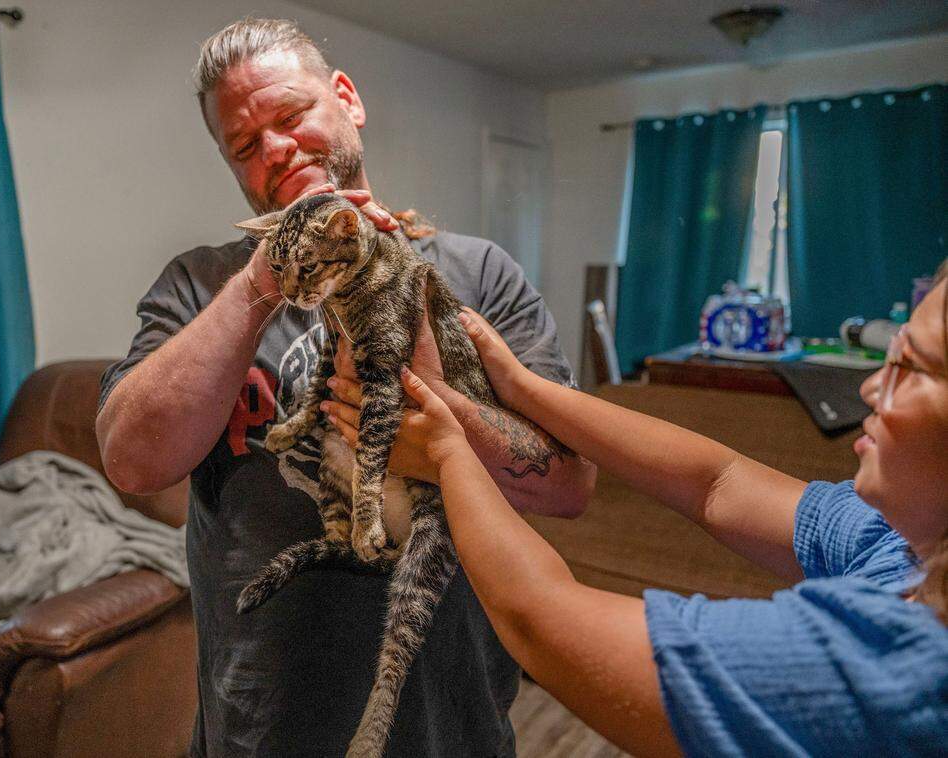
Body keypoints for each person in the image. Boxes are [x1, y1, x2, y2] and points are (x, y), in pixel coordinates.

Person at [94, 17, 596, 757]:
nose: (274, 149)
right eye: (243, 144)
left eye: (291, 116)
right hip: (263, 725)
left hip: (453, 718)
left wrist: (447, 423)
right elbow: (132, 461)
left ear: (347, 100)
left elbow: (569, 485)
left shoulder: (479, 272)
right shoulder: (201, 285)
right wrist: (268, 275)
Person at [323, 262, 948, 756]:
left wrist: (445, 454)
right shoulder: (898, 542)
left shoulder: (898, 665)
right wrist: (521, 387)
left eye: (910, 367)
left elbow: (543, 620)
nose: (870, 386)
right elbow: (718, 483)